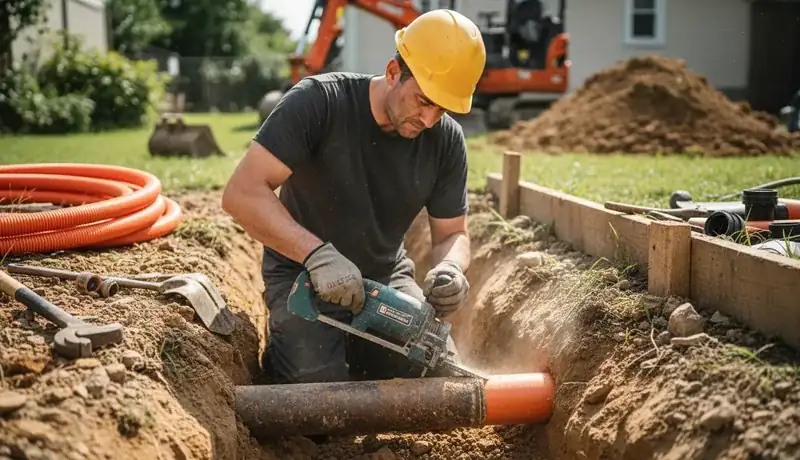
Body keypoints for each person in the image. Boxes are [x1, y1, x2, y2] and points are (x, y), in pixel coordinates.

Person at [221, 9, 487, 384]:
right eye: (423, 101)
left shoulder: (445, 140)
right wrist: (318, 255)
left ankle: (364, 354)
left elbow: (451, 235)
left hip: (385, 279)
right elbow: (242, 193)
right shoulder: (320, 102)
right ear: (393, 72)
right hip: (302, 276)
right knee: (314, 397)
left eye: (441, 108)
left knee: (436, 372)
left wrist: (451, 268)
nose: (429, 120)